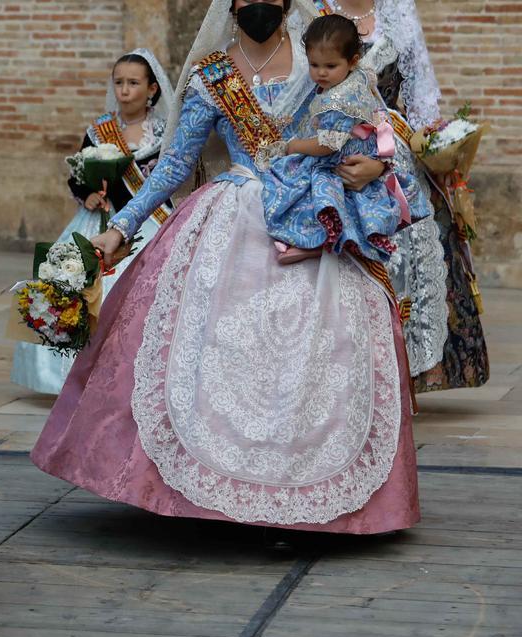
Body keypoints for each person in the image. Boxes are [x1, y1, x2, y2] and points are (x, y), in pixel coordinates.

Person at [31, 0, 420, 536]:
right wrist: (119, 229)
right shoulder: (210, 76)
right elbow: (173, 164)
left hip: (308, 216)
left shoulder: (324, 59)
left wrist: (376, 161)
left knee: (312, 359)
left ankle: (296, 492)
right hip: (228, 217)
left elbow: (378, 128)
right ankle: (205, 496)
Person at [310, 0, 488, 392]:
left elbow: (419, 90)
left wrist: (434, 147)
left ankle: (407, 375)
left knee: (414, 252)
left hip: (395, 155)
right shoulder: (311, 8)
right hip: (336, 148)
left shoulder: (397, 10)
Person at [11, 49, 174, 395]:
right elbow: (77, 173)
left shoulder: (166, 132)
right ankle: (74, 372)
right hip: (101, 222)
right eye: (119, 82)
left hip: (150, 223)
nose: (125, 90)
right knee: (74, 286)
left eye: (133, 83)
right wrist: (87, 194)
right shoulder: (100, 130)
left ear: (152, 90)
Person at [258, 14, 426, 264]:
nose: (321, 73)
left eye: (330, 66)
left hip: (342, 158)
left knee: (301, 181)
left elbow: (326, 145)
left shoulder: (339, 100)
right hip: (359, 149)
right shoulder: (359, 76)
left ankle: (314, 241)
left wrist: (292, 146)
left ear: (352, 60)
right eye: (314, 65)